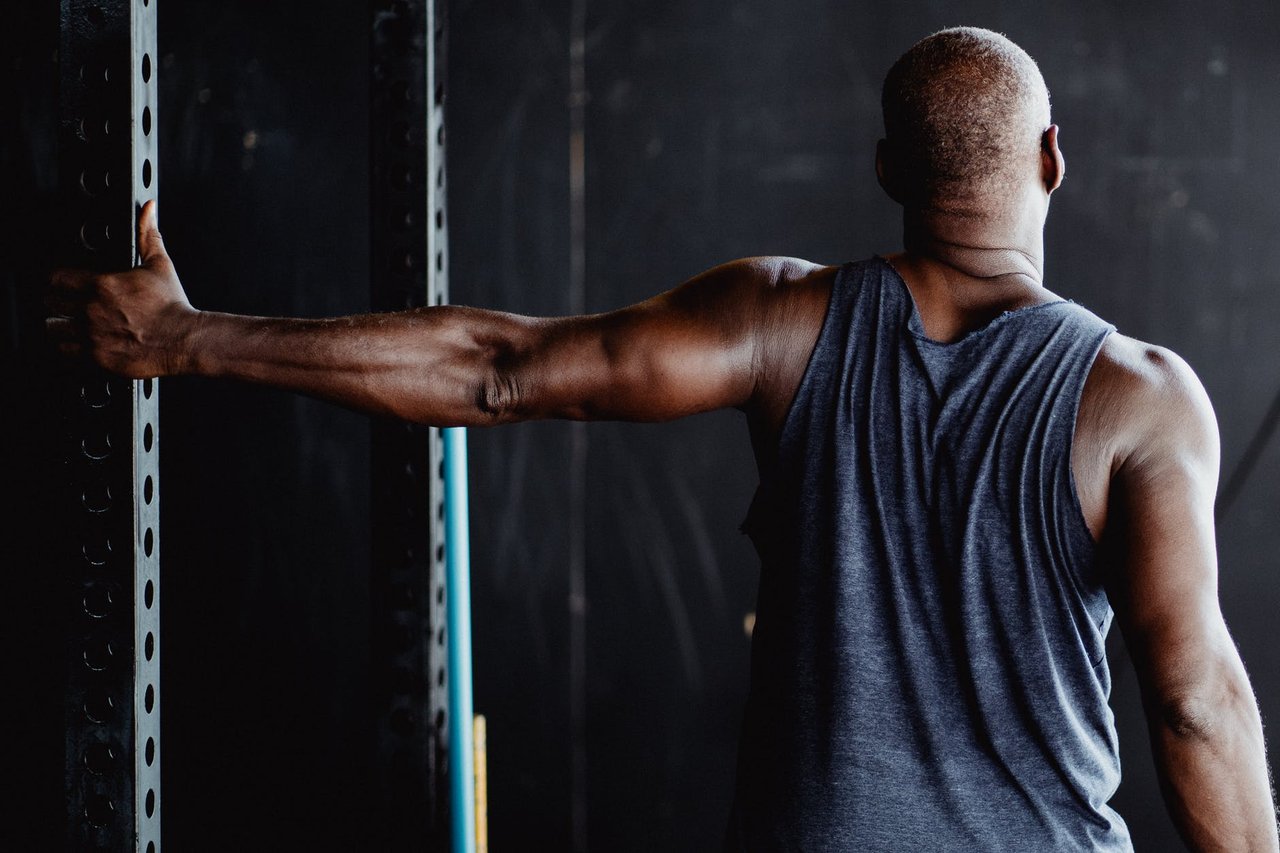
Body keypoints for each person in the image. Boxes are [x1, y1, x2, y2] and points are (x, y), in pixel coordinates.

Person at [48, 25, 1276, 853]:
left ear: (886, 167)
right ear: (1052, 161)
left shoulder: (778, 325)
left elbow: (497, 370)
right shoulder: (1137, 398)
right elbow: (1190, 701)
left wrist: (191, 340)